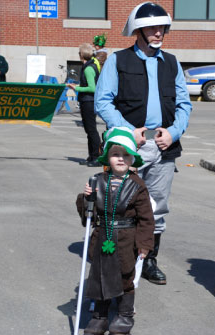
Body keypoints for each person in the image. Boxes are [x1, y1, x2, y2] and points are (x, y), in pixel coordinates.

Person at [95, 2, 192, 285]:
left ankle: (148, 260)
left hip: (164, 147)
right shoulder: (117, 60)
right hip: (129, 147)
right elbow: (103, 101)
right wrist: (127, 131)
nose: (158, 32)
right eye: (152, 27)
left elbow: (185, 105)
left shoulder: (172, 63)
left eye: (162, 27)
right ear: (138, 30)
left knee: (158, 206)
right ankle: (116, 256)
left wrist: (173, 132)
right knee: (120, 203)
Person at [76, 127, 155, 335]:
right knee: (100, 276)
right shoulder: (97, 181)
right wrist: (86, 197)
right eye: (115, 154)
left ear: (132, 159)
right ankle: (99, 317)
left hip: (126, 238)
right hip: (102, 235)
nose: (120, 159)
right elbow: (88, 214)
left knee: (125, 277)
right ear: (107, 158)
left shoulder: (137, 186)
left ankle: (124, 315)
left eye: (125, 155)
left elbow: (146, 219)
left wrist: (144, 245)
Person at [67, 43, 102, 167]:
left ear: (82, 54)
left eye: (79, 52)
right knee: (89, 130)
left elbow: (93, 88)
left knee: (91, 130)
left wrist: (77, 88)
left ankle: (97, 157)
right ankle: (91, 156)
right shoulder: (89, 66)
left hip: (89, 101)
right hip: (87, 101)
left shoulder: (88, 68)